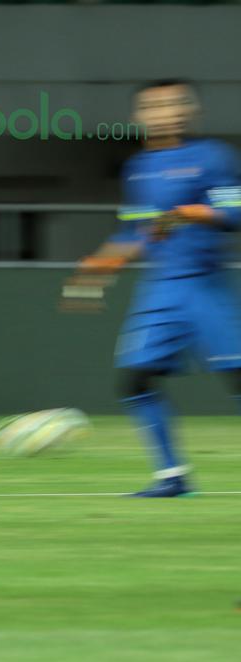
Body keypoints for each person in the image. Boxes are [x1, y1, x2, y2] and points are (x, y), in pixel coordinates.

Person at [63, 78, 241, 497]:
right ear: (138, 116)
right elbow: (139, 232)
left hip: (204, 286)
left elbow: (235, 212)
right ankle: (171, 477)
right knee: (135, 382)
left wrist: (190, 212)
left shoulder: (214, 156)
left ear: (189, 111)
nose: (166, 111)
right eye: (155, 106)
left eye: (176, 103)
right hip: (160, 289)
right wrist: (101, 264)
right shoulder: (138, 169)